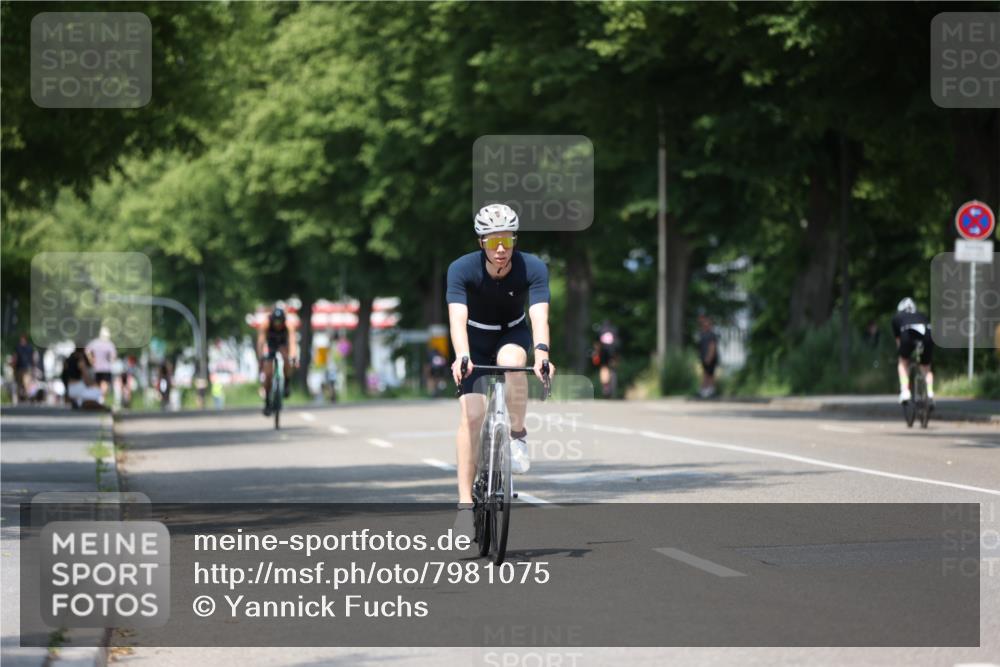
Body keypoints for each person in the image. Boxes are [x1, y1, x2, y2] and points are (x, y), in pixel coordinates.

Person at [447, 203, 554, 538]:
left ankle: (517, 435)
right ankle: (465, 506)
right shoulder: (461, 269)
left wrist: (542, 354)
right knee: (472, 417)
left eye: (507, 240)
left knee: (513, 363)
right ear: (481, 242)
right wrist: (462, 356)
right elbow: (457, 319)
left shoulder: (532, 266)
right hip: (474, 339)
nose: (500, 249)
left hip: (512, 332)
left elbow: (539, 315)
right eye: (493, 241)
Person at [892, 297, 934, 404]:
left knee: (903, 362)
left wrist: (902, 354)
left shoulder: (897, 317)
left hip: (908, 334)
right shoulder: (921, 315)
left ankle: (905, 390)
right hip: (928, 335)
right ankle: (930, 393)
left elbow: (898, 341)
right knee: (926, 367)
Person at [257, 306, 298, 416]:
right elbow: (261, 342)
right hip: (270, 345)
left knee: (287, 360)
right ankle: (267, 402)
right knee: (268, 373)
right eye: (276, 321)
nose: (278, 324)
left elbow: (292, 341)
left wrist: (293, 356)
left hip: (283, 345)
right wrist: (261, 357)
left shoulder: (288, 325)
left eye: (280, 321)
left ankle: (287, 384)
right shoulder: (266, 324)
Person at [85, 326, 117, 401]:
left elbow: (87, 351)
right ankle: (101, 399)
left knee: (97, 384)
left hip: (96, 367)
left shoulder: (95, 342)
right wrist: (110, 361)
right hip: (106, 368)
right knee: (104, 384)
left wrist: (91, 360)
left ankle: (98, 399)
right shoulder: (109, 344)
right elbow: (113, 357)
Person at [592, 319, 619, 398]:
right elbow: (617, 342)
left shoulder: (600, 330)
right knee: (613, 367)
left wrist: (596, 353)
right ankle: (613, 384)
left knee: (604, 367)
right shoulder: (614, 330)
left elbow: (597, 344)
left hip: (604, 352)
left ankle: (606, 387)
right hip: (613, 351)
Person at [697, 313, 718, 398]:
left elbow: (712, 346)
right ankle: (705, 390)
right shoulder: (702, 334)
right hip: (704, 358)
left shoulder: (711, 335)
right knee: (705, 374)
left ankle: (710, 390)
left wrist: (709, 357)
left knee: (709, 374)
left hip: (710, 358)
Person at [12, 334, 34, 403]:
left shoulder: (18, 347)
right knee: (23, 383)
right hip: (23, 368)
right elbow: (33, 358)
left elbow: (15, 358)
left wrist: (13, 366)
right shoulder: (29, 347)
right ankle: (25, 397)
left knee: (23, 383)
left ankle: (24, 397)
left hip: (23, 368)